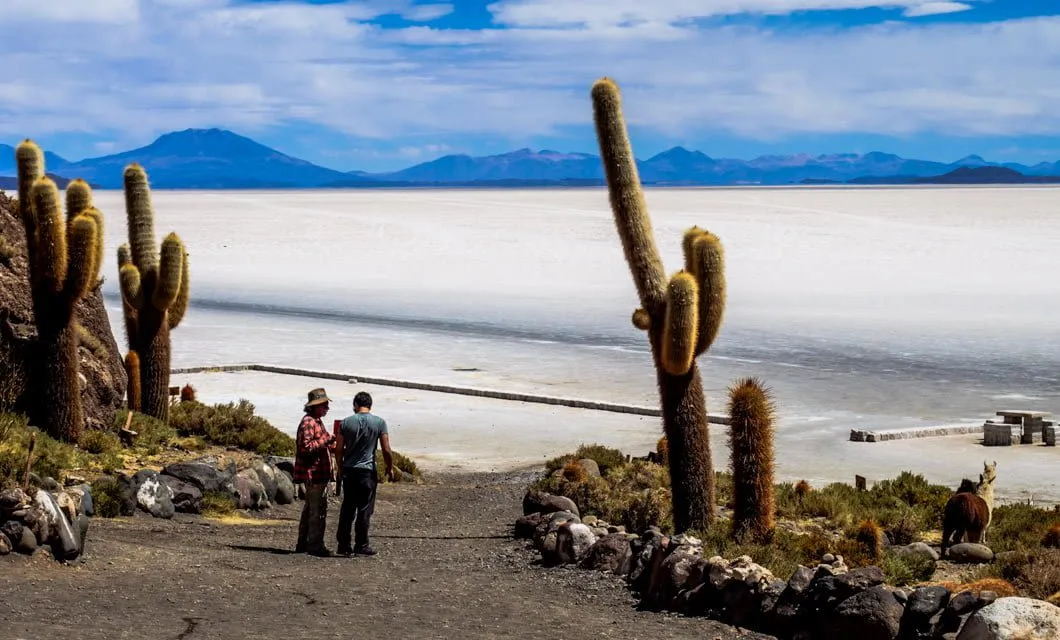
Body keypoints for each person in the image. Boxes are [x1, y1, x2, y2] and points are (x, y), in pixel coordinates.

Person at [334, 391, 396, 557]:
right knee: (364, 509)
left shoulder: (346, 423)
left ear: (355, 404)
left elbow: (338, 449)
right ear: (370, 405)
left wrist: (340, 466)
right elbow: (386, 449)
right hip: (367, 471)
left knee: (347, 507)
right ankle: (361, 544)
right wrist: (389, 467)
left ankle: (343, 544)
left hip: (349, 470)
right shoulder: (380, 423)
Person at [294, 387, 335, 557]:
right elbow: (306, 447)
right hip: (314, 474)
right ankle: (315, 545)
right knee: (317, 511)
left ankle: (304, 543)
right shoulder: (309, 422)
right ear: (315, 406)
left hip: (319, 473)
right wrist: (326, 439)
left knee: (311, 509)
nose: (327, 408)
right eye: (324, 405)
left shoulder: (316, 421)